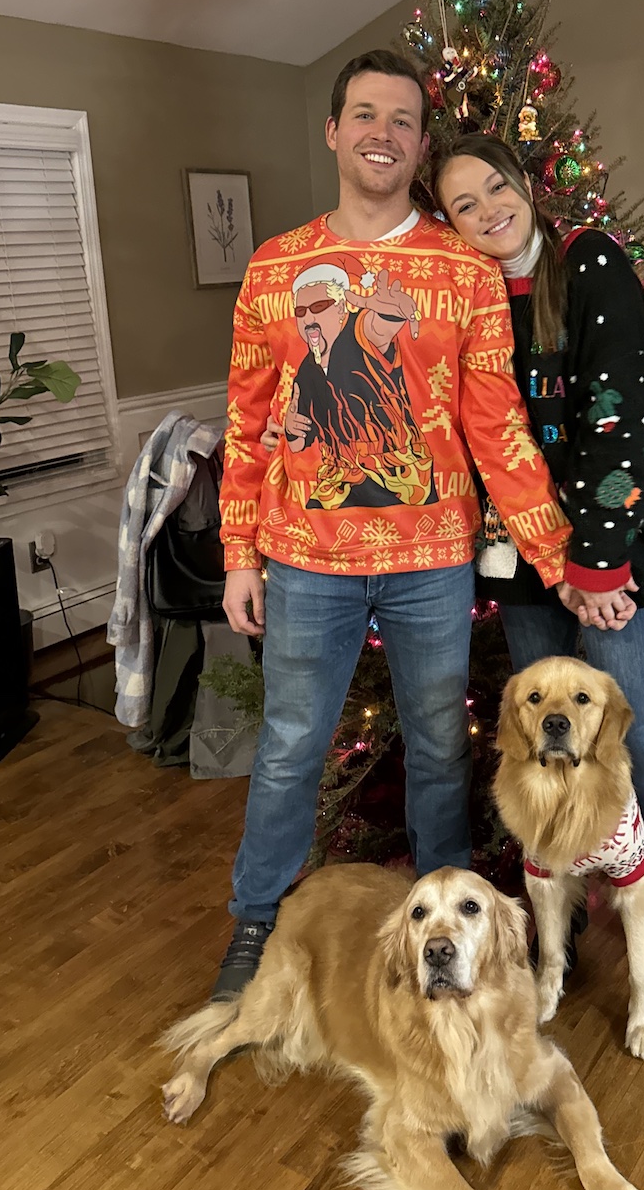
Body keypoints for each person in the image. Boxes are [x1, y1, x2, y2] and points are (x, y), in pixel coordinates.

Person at [214, 51, 587, 999]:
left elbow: (496, 426)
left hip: (432, 561)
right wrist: (238, 553)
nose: (382, 133)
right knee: (289, 746)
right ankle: (256, 922)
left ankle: (446, 933)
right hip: (306, 559)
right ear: (333, 131)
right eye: (364, 115)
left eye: (402, 120)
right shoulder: (275, 267)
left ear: (420, 146)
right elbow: (248, 420)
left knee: (438, 747)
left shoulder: (462, 269)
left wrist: (557, 555)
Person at [431, 132, 644, 988]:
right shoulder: (469, 295)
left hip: (613, 549)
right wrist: (548, 561)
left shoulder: (590, 264)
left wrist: (592, 571)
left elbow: (615, 423)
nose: (488, 211)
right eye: (463, 205)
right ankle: (566, 883)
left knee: (643, 735)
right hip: (522, 555)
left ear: (524, 181)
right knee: (542, 738)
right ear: (449, 223)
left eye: (495, 187)